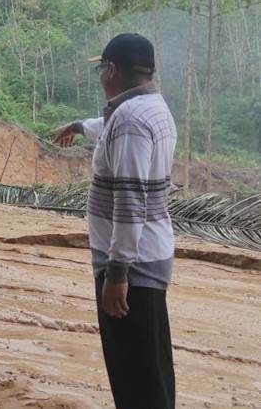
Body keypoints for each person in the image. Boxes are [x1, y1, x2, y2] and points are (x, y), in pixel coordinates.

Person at [52, 33, 178, 408]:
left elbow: (130, 198)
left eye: (100, 71)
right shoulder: (150, 107)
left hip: (131, 268)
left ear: (110, 70)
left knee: (134, 376)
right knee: (150, 368)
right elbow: (107, 129)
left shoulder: (130, 120)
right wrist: (78, 126)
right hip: (148, 258)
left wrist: (117, 273)